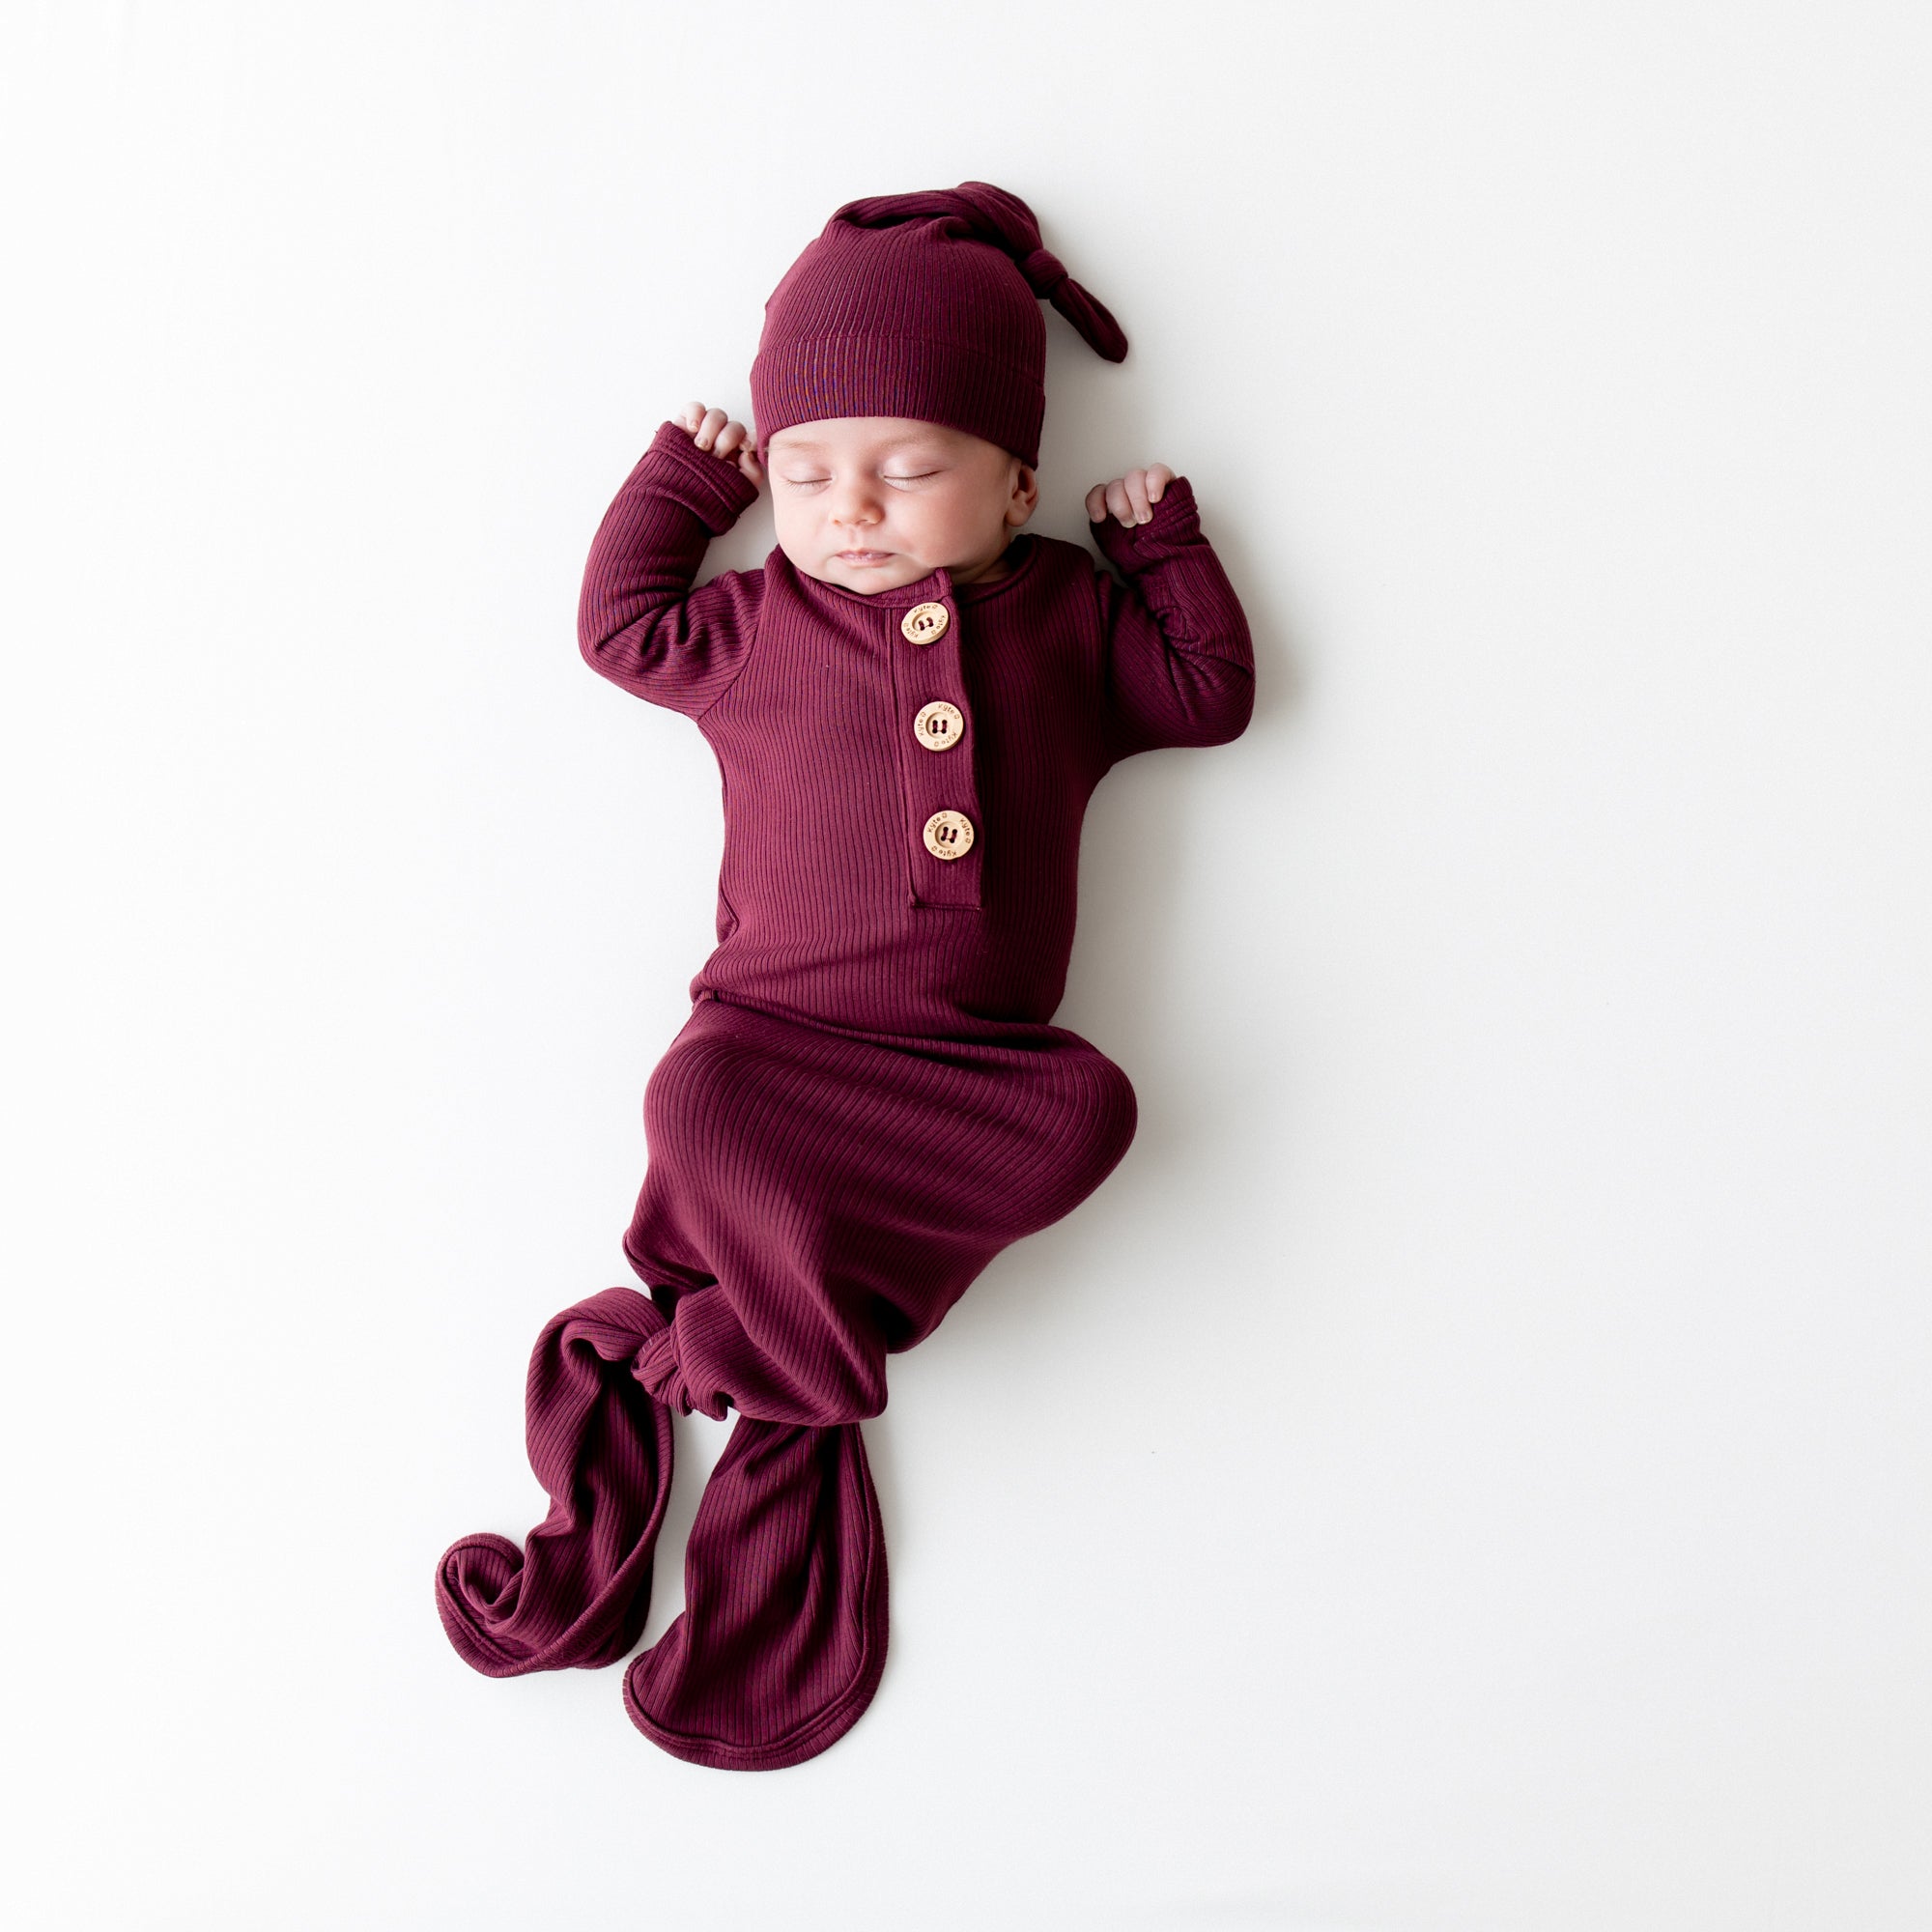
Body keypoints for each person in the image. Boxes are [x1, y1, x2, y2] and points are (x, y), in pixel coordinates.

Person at [437, 182, 1255, 1770]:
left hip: (971, 1070)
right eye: (805, 473)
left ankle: (726, 1353)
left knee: (1093, 1110)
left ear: (1018, 485)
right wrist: (686, 486)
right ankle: (794, 1361)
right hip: (770, 1037)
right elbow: (618, 628)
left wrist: (1160, 548)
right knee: (696, 1105)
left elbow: (1209, 691)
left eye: (908, 470)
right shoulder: (757, 626)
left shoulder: (1065, 623)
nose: (850, 508)